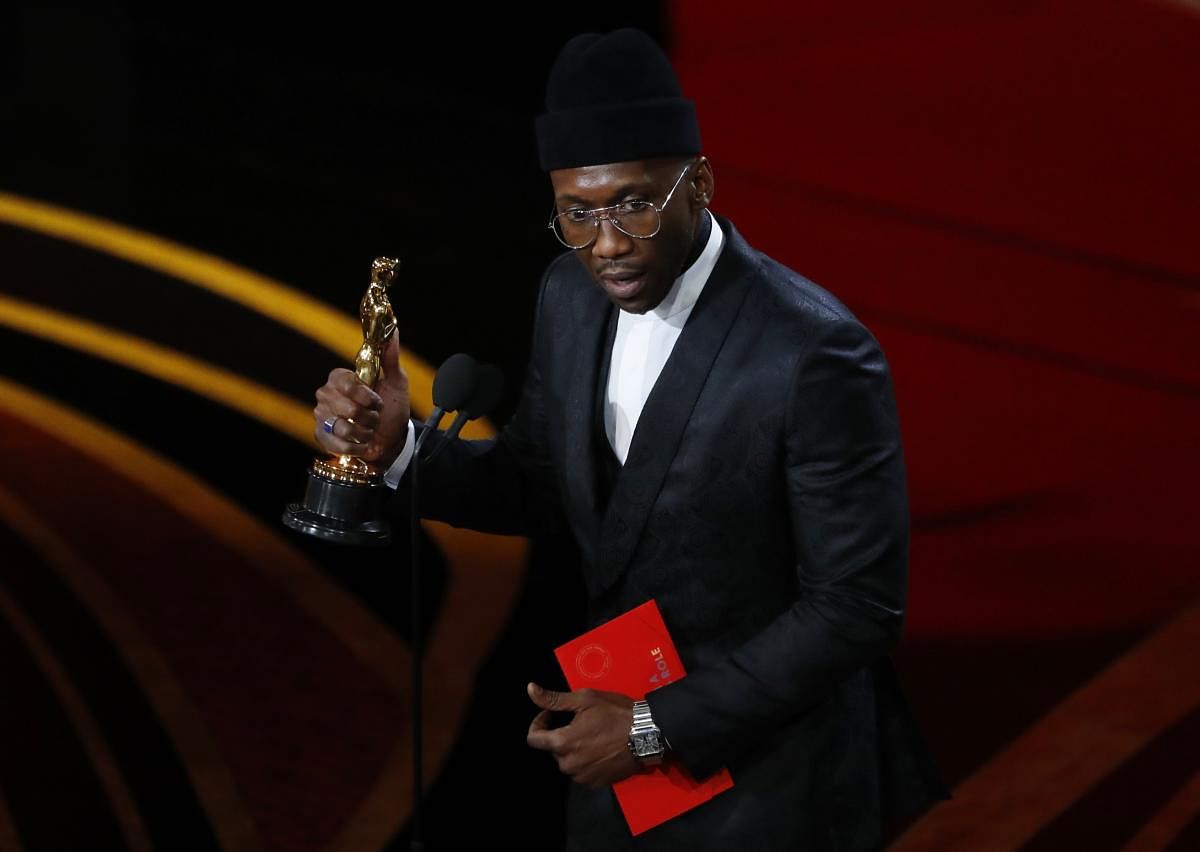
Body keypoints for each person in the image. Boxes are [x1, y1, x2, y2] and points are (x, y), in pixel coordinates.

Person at [312, 27, 944, 851]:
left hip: (773, 783)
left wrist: (653, 725)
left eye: (633, 204)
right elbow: (543, 482)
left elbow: (856, 607)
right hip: (620, 764)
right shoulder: (569, 297)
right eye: (578, 214)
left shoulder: (814, 351)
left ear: (700, 185)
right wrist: (400, 448)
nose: (606, 244)